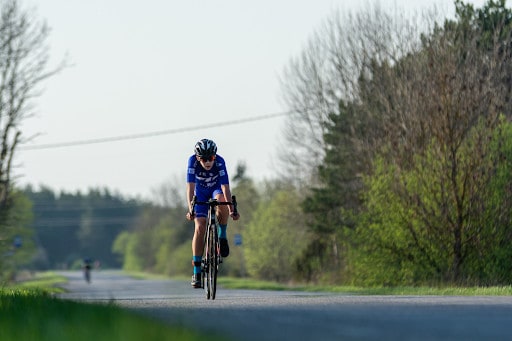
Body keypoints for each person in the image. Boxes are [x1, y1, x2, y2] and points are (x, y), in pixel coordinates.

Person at [186, 138, 240, 288]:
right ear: (198, 158)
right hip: (201, 193)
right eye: (204, 159)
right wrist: (191, 209)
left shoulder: (220, 162)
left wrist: (231, 210)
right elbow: (190, 188)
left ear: (214, 156)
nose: (208, 162)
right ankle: (197, 271)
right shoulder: (192, 162)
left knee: (222, 199)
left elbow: (225, 187)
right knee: (200, 227)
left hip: (216, 189)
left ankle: (222, 235)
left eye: (211, 158)